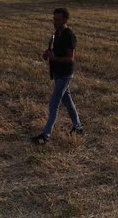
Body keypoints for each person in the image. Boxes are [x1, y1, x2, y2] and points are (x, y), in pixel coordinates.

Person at [32, 8, 84, 145]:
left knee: (53, 104)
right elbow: (53, 50)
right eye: (54, 19)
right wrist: (47, 54)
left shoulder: (69, 35)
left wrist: (54, 59)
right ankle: (78, 126)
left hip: (65, 74)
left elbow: (70, 58)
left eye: (58, 20)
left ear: (65, 20)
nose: (55, 22)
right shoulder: (57, 33)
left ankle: (45, 135)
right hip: (57, 73)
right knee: (67, 100)